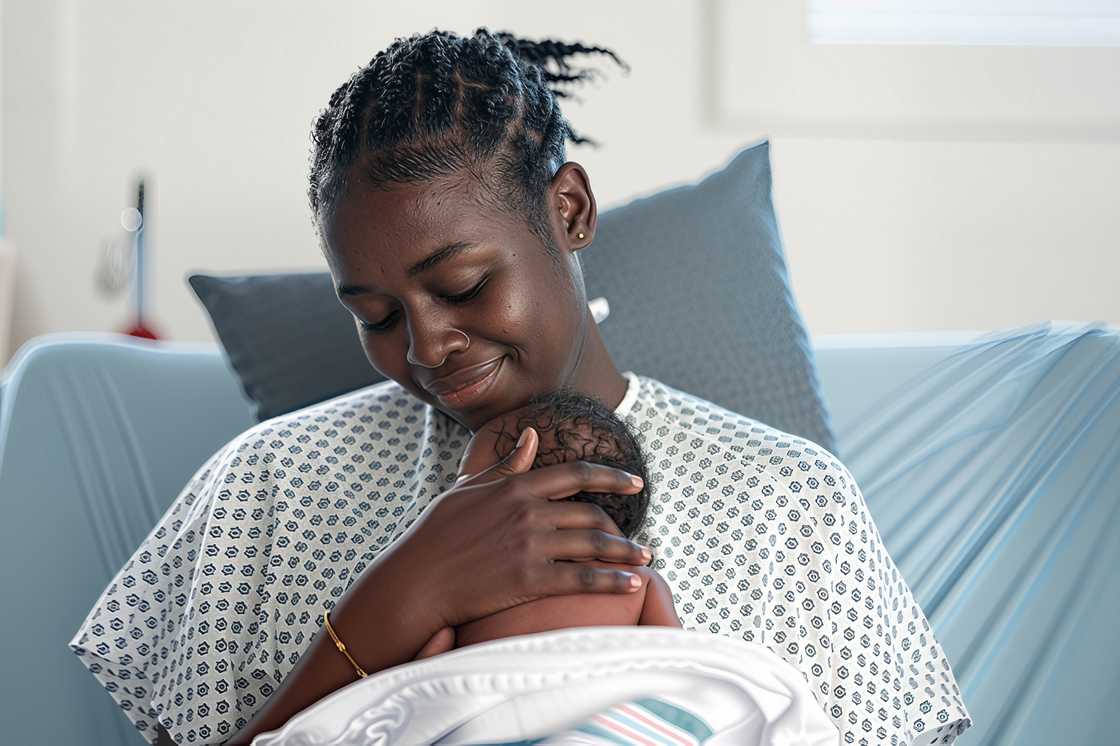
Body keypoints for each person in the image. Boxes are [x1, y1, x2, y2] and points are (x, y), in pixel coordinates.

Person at [68, 28, 972, 746]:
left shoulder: (789, 506)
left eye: (461, 286)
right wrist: (393, 606)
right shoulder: (261, 490)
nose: (426, 345)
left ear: (569, 210)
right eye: (376, 315)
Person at [414, 387, 680, 660]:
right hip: (605, 695)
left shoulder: (464, 583)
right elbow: (685, 663)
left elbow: (431, 657)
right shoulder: (639, 583)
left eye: (465, 478)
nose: (452, 497)